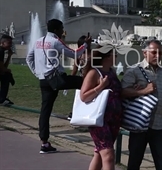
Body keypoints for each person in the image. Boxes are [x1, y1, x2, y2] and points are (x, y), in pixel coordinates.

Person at [26, 19, 91, 154]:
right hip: (57, 79)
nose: (63, 31)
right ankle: (91, 112)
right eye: (61, 29)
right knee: (86, 81)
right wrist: (85, 45)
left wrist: (37, 73)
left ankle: (44, 143)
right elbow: (75, 54)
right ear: (56, 30)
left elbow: (29, 58)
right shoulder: (55, 41)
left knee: (45, 111)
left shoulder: (38, 41)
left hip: (44, 80)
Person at [121, 40, 162, 170]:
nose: (157, 56)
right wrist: (143, 91)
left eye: (160, 53)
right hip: (140, 124)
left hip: (159, 125)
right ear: (144, 53)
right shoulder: (134, 71)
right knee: (135, 162)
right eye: (153, 52)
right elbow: (122, 92)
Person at [80, 46, 122, 170]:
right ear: (107, 56)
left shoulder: (111, 72)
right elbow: (83, 96)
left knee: (99, 154)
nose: (116, 58)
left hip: (114, 120)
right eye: (115, 55)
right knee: (108, 155)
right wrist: (100, 86)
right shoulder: (94, 73)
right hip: (99, 120)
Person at [68, 35, 91, 119]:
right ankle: (75, 112)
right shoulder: (79, 56)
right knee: (79, 98)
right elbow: (74, 70)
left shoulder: (91, 55)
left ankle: (78, 113)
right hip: (82, 80)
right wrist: (68, 82)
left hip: (90, 80)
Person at [0, 35, 15, 105]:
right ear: (2, 43)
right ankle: (2, 99)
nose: (10, 45)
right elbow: (2, 68)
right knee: (7, 75)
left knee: (6, 74)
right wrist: (8, 71)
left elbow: (3, 67)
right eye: (9, 43)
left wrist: (9, 56)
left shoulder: (2, 50)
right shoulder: (0, 50)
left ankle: (2, 98)